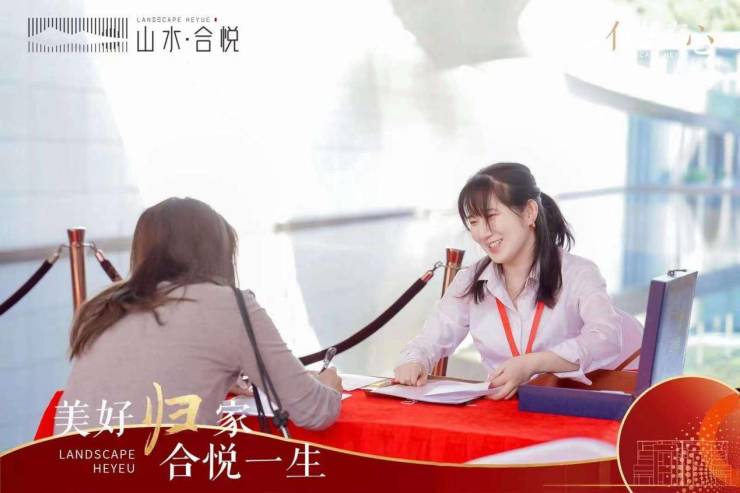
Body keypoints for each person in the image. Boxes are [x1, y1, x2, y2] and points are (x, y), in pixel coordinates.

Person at [57, 197, 342, 433]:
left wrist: (220, 375)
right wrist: (329, 383)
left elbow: (139, 372)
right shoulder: (231, 305)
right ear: (219, 251)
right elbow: (314, 411)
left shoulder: (104, 307)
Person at [394, 163, 638, 399]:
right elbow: (430, 340)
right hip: (501, 409)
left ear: (529, 212)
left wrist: (534, 363)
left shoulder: (578, 273)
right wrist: (413, 362)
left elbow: (605, 338)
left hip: (565, 409)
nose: (482, 233)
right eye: (474, 222)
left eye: (491, 216)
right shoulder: (470, 280)